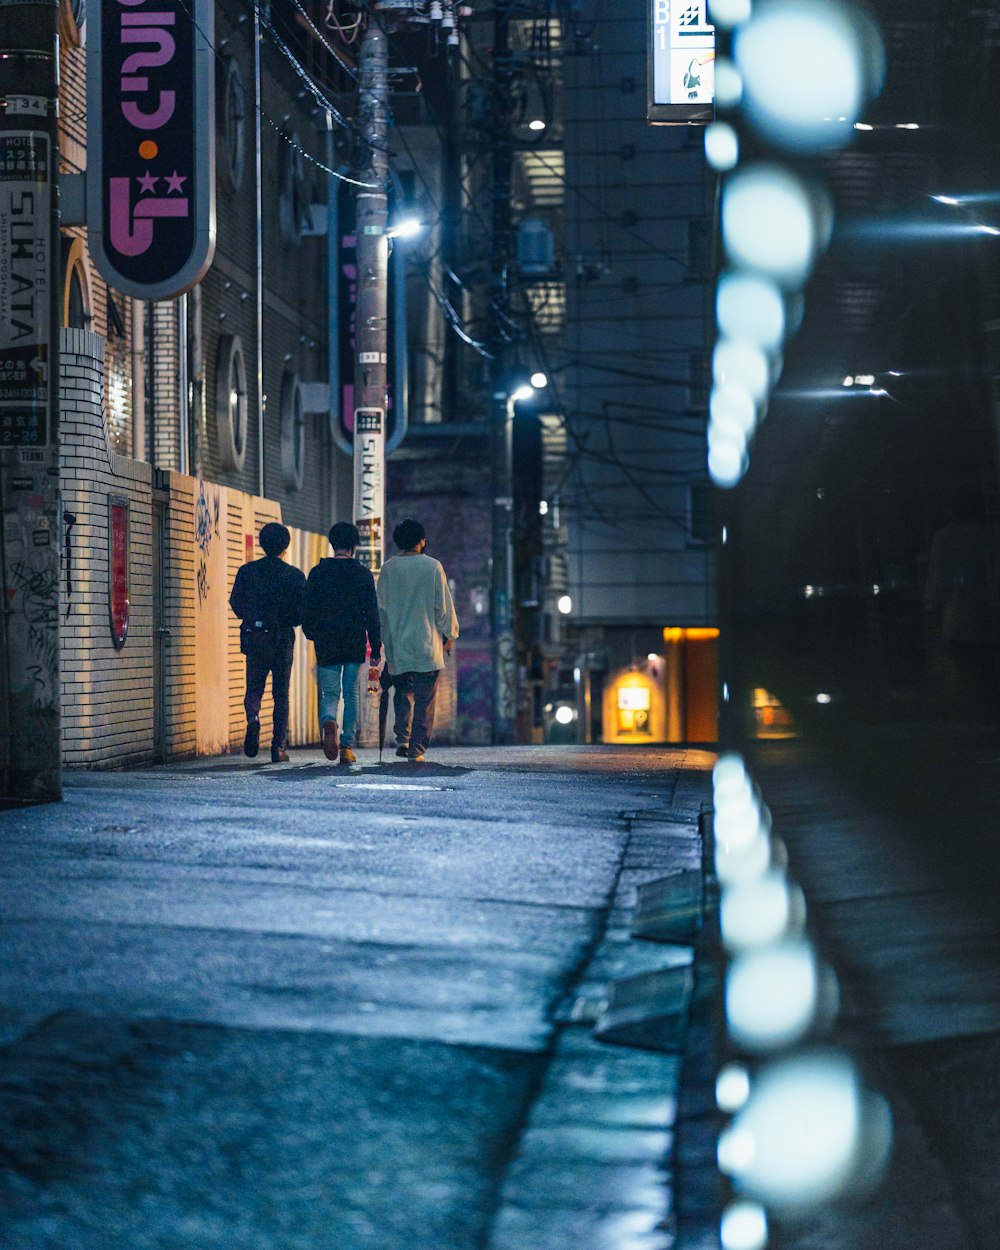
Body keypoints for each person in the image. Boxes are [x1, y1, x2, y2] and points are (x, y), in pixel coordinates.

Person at [376, 518, 459, 763]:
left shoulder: (389, 568)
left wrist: (382, 642)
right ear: (422, 541)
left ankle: (402, 738)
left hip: (398, 647)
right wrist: (450, 634)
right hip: (427, 647)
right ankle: (417, 748)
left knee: (403, 693)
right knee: (425, 700)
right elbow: (443, 608)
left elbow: (381, 610)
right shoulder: (433, 567)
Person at [301, 521, 381, 765]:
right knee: (351, 694)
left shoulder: (317, 573)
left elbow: (306, 609)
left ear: (332, 544)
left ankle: (328, 719)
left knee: (331, 692)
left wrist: (312, 633)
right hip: (353, 642)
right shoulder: (362, 574)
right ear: (354, 546)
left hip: (326, 642)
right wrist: (375, 647)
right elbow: (372, 613)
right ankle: (346, 745)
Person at [229, 521, 305, 764]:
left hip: (255, 636)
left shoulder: (247, 571)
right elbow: (299, 612)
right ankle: (278, 746)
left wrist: (252, 616)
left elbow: (236, 603)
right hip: (282, 639)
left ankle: (253, 718)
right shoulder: (294, 575)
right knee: (281, 694)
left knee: (254, 687)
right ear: (285, 546)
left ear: (262, 544)